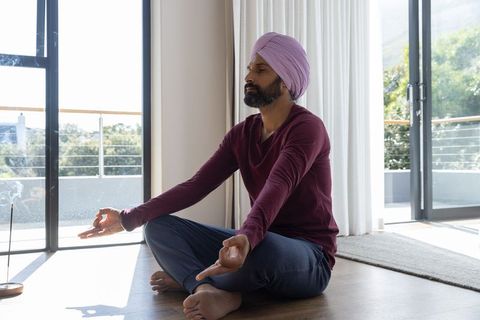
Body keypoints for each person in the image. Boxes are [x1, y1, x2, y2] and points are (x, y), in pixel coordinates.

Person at [79, 32, 339, 320]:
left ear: (287, 81)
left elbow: (279, 184)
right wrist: (130, 218)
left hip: (309, 256)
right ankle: (204, 287)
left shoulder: (307, 129)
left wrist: (246, 238)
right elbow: (195, 186)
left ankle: (196, 280)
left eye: (261, 70)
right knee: (158, 228)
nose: (249, 76)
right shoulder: (243, 133)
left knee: (257, 252)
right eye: (250, 68)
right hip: (257, 238)